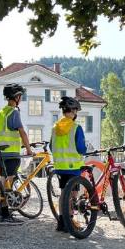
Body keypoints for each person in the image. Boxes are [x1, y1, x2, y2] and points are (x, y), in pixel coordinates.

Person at [0, 83, 33, 224]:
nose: (21, 98)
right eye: (20, 96)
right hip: (11, 153)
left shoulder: (1, 112)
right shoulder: (13, 112)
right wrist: (28, 149)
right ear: (16, 97)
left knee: (4, 182)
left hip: (1, 153)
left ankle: (2, 210)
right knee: (8, 183)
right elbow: (21, 131)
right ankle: (5, 215)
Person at [50, 96, 87, 232]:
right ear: (73, 111)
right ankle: (70, 221)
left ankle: (61, 221)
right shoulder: (76, 127)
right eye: (76, 110)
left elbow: (51, 146)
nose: (76, 113)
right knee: (73, 194)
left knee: (63, 193)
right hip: (73, 167)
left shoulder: (55, 127)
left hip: (60, 166)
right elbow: (81, 148)